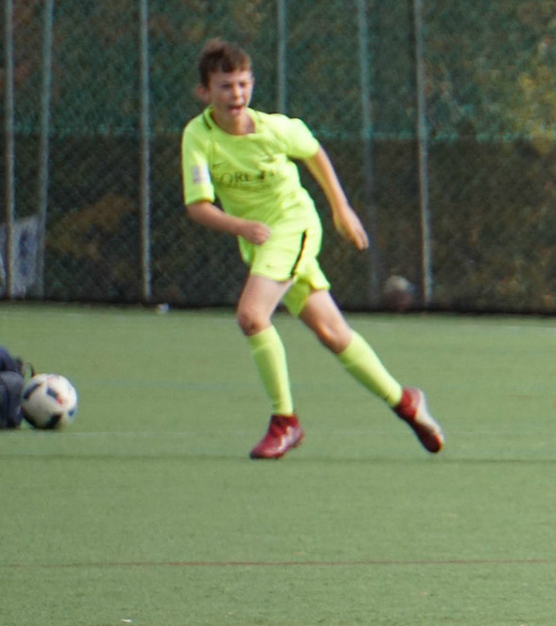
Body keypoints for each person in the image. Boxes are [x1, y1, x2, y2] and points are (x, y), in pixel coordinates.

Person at [180, 39, 442, 460]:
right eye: (225, 86)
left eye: (243, 84)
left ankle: (285, 421)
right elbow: (198, 207)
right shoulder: (198, 136)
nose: (236, 94)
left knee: (251, 316)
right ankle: (405, 401)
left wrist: (341, 207)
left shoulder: (275, 129)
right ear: (204, 92)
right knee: (332, 333)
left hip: (293, 226)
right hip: (261, 241)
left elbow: (313, 151)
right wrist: (241, 226)